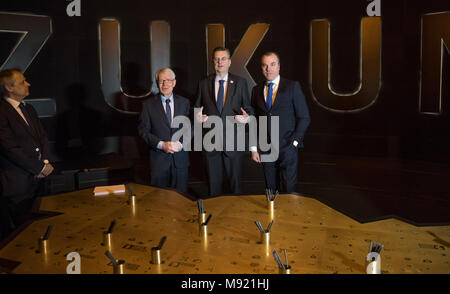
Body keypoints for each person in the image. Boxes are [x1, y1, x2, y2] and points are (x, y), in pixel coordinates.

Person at [0, 68, 54, 240]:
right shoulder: (1, 111)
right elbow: (9, 148)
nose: (28, 84)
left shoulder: (28, 108)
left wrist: (44, 164)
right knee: (23, 234)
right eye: (23, 82)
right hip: (18, 183)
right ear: (10, 88)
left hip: (40, 180)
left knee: (42, 228)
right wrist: (38, 167)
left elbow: (42, 138)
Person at [195, 47, 253, 197]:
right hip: (211, 144)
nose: (220, 62)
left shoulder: (240, 83)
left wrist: (246, 118)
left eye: (223, 59)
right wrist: (197, 117)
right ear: (213, 62)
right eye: (217, 59)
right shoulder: (203, 83)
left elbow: (248, 109)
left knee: (236, 190)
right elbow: (196, 109)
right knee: (213, 190)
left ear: (229, 62)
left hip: (234, 144)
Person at [251, 52, 311, 193]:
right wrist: (254, 148)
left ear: (279, 66)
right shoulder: (256, 90)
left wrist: (294, 142)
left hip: (287, 147)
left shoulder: (292, 87)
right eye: (265, 65)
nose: (268, 69)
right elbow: (254, 120)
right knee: (271, 191)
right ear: (261, 68)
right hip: (266, 150)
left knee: (289, 191)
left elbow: (304, 117)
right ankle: (272, 216)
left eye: (272, 64)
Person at [138, 68, 190, 193]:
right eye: (161, 81)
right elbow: (143, 131)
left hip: (180, 162)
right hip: (158, 163)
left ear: (174, 83)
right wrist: (161, 145)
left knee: (181, 200)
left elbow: (189, 128)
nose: (165, 84)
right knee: (158, 200)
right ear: (157, 83)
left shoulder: (185, 103)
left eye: (168, 80)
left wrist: (180, 144)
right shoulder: (148, 105)